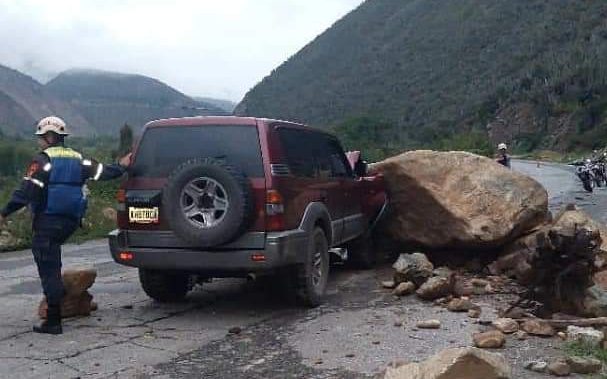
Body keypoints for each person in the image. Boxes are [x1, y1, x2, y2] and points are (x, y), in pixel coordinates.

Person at [0, 116, 131, 335]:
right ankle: (69, 299)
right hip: (70, 221)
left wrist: (4, 212)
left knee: (48, 265)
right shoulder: (78, 159)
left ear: (50, 137)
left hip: (48, 220)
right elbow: (103, 172)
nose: (39, 142)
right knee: (52, 258)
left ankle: (53, 319)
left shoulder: (42, 161)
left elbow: (26, 191)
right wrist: (122, 166)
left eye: (41, 138)